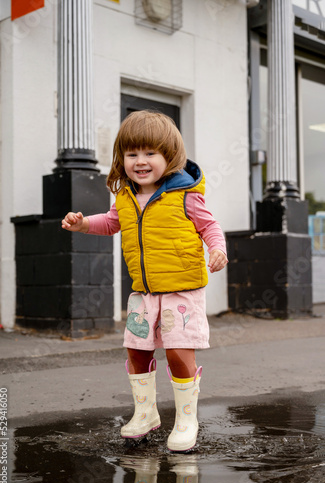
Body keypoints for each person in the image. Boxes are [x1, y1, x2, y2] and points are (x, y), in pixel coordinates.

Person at [61, 110, 228, 452]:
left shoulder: (186, 194)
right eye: (132, 153)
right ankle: (145, 412)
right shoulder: (124, 197)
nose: (140, 161)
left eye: (150, 153)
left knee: (180, 353)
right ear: (121, 158)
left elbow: (209, 226)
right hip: (144, 291)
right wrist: (82, 224)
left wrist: (217, 249)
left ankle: (185, 419)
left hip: (182, 289)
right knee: (137, 349)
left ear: (170, 156)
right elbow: (111, 222)